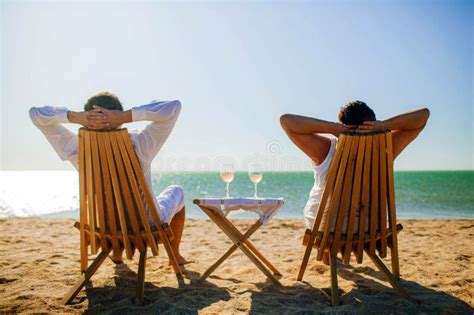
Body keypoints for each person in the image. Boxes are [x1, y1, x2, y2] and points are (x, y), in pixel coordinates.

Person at [29, 91, 191, 265]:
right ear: (118, 119)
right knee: (177, 191)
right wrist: (125, 117)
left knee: (112, 211)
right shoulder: (141, 144)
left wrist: (76, 117)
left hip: (105, 229)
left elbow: (35, 114)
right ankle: (175, 256)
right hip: (148, 227)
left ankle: (117, 253)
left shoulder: (75, 147)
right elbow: (173, 107)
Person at [280, 100, 430, 265]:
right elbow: (423, 115)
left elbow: (286, 121)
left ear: (343, 126)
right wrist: (384, 125)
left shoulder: (326, 150)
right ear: (372, 124)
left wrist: (332, 128)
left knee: (324, 216)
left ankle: (327, 256)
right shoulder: (386, 149)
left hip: (326, 229)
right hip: (370, 230)